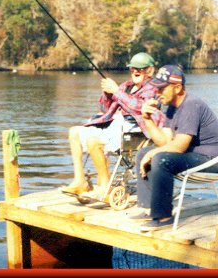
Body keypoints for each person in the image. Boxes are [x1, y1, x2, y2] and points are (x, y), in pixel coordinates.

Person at [134, 65, 218, 232]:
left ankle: (163, 217)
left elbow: (179, 146)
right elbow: (164, 142)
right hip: (194, 156)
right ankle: (150, 209)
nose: (157, 93)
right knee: (144, 152)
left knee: (160, 159)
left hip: (215, 160)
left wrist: (152, 153)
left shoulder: (191, 105)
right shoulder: (172, 107)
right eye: (156, 88)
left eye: (162, 89)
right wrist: (146, 119)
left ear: (177, 87)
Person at [60, 52, 164, 200]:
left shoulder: (153, 87)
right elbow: (104, 108)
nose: (135, 71)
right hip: (116, 124)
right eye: (133, 68)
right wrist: (107, 94)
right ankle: (80, 181)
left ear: (150, 70)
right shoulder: (126, 86)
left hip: (135, 130)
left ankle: (105, 186)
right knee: (74, 132)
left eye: (140, 68)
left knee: (93, 141)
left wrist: (116, 91)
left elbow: (139, 108)